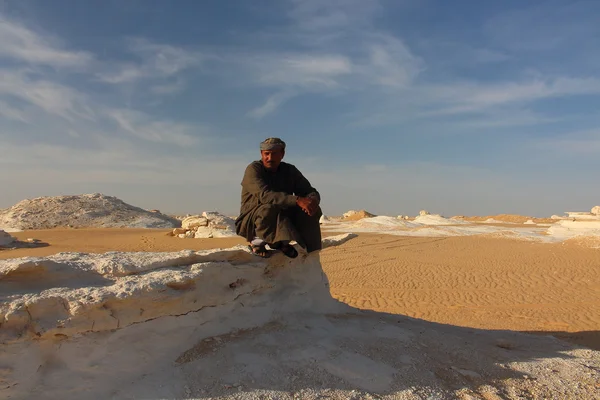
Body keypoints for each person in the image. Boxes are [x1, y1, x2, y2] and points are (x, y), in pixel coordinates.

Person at [235, 137, 322, 258]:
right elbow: (265, 195)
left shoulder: (289, 170)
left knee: (312, 208)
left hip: (281, 214)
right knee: (269, 209)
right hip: (253, 218)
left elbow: (308, 190)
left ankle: (291, 245)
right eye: (266, 154)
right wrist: (297, 200)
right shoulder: (254, 169)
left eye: (274, 154)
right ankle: (256, 242)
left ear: (282, 154)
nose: (269, 158)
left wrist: (312, 200)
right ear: (261, 154)